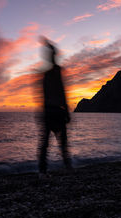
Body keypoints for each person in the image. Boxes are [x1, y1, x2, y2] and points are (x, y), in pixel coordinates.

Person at [38, 37, 72, 178]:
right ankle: (64, 168)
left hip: (52, 111)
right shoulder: (52, 73)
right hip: (55, 111)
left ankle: (43, 172)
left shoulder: (49, 73)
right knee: (59, 143)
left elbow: (57, 92)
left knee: (49, 144)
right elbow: (60, 92)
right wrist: (67, 111)